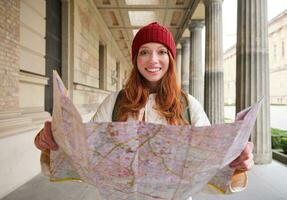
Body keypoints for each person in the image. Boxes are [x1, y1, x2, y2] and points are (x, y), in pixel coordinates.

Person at [35, 22, 254, 192]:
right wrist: (51, 144)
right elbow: (83, 156)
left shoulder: (189, 105)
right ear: (135, 58)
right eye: (144, 52)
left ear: (171, 58)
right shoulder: (113, 103)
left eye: (161, 52)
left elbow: (210, 171)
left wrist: (236, 166)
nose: (153, 60)